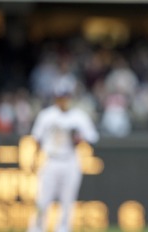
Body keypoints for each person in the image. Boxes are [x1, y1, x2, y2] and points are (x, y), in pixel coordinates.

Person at [27, 83, 99, 232]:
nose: (63, 101)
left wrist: (80, 136)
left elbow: (93, 137)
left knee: (68, 201)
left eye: (65, 97)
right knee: (43, 199)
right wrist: (34, 159)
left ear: (70, 98)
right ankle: (37, 228)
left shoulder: (78, 116)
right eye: (60, 98)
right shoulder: (47, 115)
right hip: (51, 160)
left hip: (70, 160)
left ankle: (64, 229)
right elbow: (36, 138)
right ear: (55, 98)